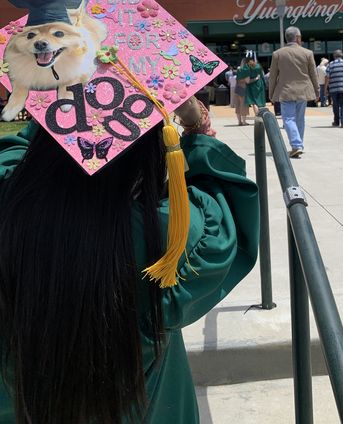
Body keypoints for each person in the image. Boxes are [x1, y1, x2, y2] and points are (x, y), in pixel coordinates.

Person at [0, 96, 259, 424]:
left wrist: (61, 95)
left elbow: (14, 150)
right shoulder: (171, 235)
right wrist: (198, 127)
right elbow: (228, 207)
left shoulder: (8, 205)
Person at [268, 26, 319, 158]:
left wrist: (271, 94)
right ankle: (298, 144)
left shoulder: (277, 54)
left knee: (288, 119)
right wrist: (317, 91)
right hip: (303, 91)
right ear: (297, 38)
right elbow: (313, 74)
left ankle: (296, 145)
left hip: (285, 91)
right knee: (299, 119)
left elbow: (273, 76)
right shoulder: (308, 53)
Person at [325, 49, 343, 129]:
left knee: (335, 104)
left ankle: (336, 121)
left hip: (333, 88)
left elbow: (327, 77)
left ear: (334, 56)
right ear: (342, 55)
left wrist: (325, 89)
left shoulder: (330, 64)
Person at [234, 58, 251, 125]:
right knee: (244, 105)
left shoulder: (238, 69)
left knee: (237, 105)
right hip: (243, 88)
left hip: (237, 88)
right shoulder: (246, 70)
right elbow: (247, 81)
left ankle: (239, 121)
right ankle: (244, 121)